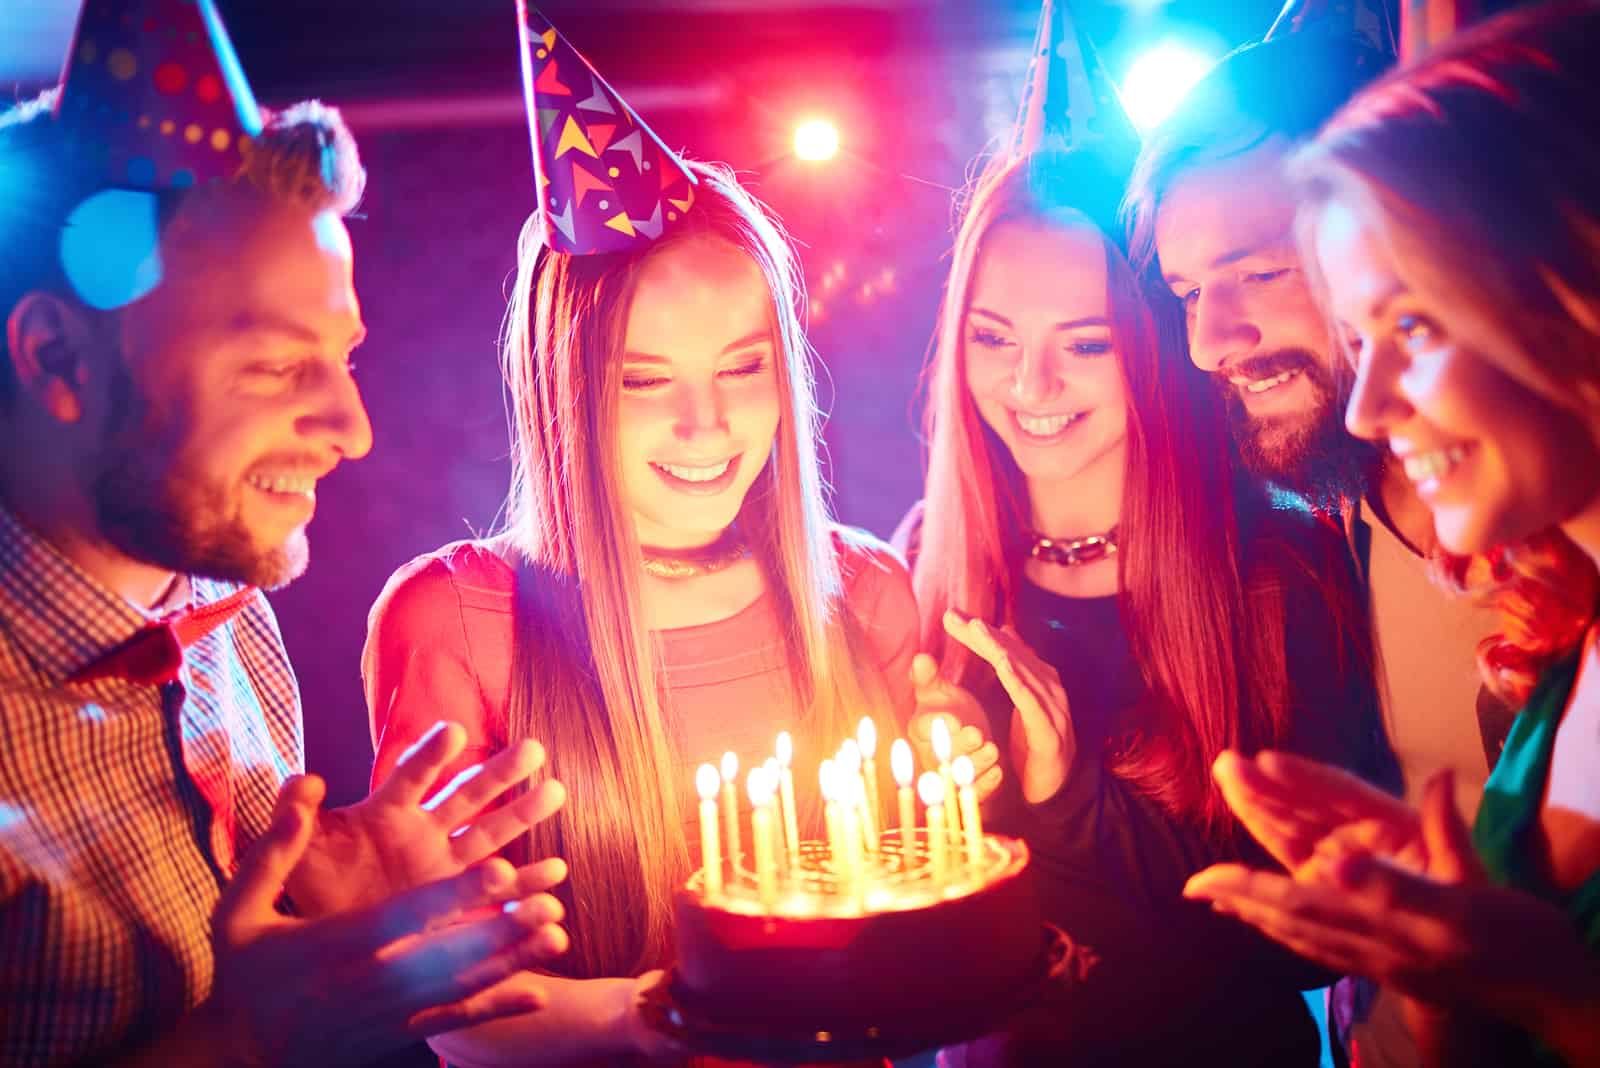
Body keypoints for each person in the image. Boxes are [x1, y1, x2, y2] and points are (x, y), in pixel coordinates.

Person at [0, 5, 569, 1064]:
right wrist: (244, 1045)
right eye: (270, 365)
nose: (350, 432)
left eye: (341, 357)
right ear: (57, 359)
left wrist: (334, 918)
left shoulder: (227, 621)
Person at [362, 10, 918, 1065]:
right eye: (645, 382)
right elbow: (446, 1009)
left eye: (743, 368)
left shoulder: (868, 591)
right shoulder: (464, 624)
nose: (704, 427)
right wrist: (657, 1023)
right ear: (564, 392)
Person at [895, 133, 1390, 1061]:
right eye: (993, 337)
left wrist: (1067, 795)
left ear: (1160, 344)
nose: (1029, 386)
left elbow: (1306, 948)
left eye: (1085, 343)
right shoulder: (927, 554)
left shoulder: (1282, 568)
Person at [1183, 5, 1600, 1065]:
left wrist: (1537, 990)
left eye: (1409, 325)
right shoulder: (1568, 632)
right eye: (1184, 290)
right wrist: (1437, 919)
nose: (1368, 407)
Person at [1123, 13, 1505, 1064]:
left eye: (1258, 270)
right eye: (1191, 291)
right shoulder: (1347, 505)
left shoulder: (1555, 512)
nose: (1209, 341)